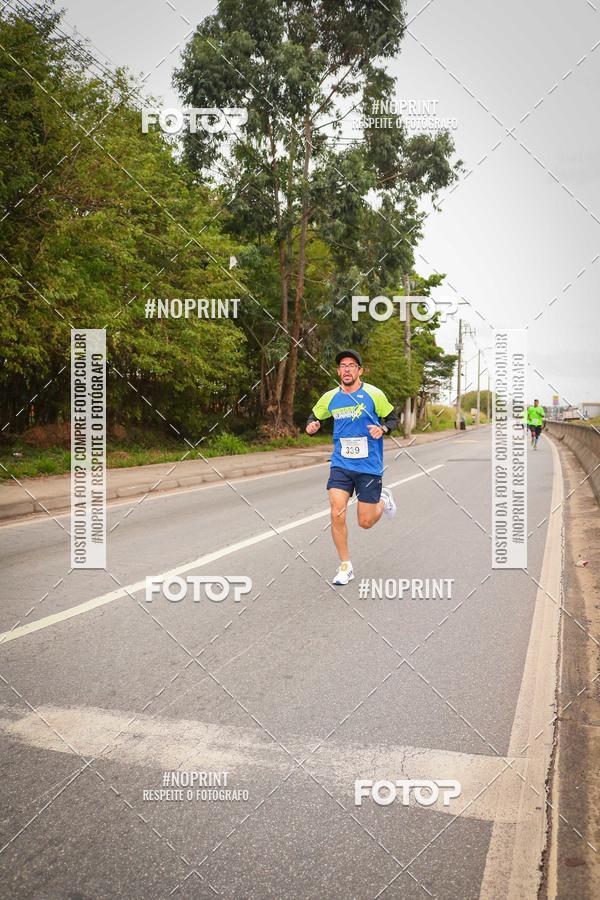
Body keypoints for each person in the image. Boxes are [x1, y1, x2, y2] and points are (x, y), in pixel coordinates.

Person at [305, 349, 399, 585]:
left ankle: (384, 501)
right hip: (341, 464)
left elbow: (393, 418)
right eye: (343, 366)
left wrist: (383, 429)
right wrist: (312, 425)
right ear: (338, 371)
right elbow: (314, 416)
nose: (346, 369)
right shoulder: (330, 397)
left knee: (365, 522)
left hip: (368, 466)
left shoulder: (373, 394)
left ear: (360, 371)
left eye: (351, 365)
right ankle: (345, 566)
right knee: (337, 512)